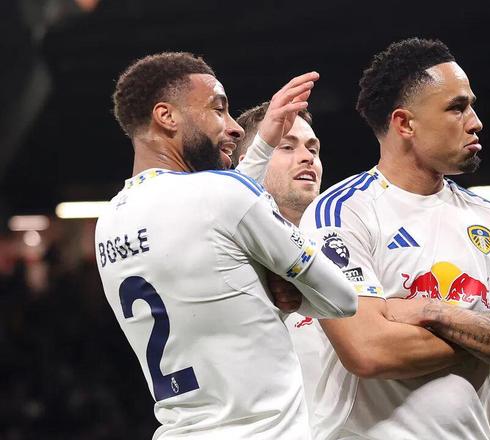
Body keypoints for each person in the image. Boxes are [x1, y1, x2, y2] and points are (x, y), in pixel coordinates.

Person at [299, 38, 490, 440]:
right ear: (405, 124)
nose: (475, 121)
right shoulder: (340, 212)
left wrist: (433, 312)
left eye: (471, 106)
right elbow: (368, 350)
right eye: (457, 107)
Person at [95, 52, 357, 440]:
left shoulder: (109, 221)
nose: (234, 127)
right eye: (219, 110)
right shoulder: (220, 195)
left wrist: (263, 146)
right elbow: (342, 299)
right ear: (166, 116)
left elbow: (215, 215)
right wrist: (284, 287)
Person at [234, 102, 324, 417]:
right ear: (253, 161)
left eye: (313, 149)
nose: (307, 157)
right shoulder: (223, 259)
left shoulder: (350, 242)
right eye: (287, 147)